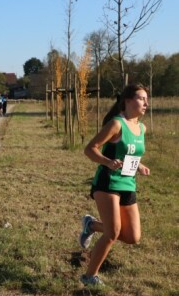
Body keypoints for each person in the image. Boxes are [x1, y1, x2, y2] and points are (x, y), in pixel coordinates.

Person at [78, 84, 150, 286]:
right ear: (127, 101)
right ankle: (89, 276)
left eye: (147, 99)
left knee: (132, 236)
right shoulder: (117, 124)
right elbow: (90, 149)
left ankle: (91, 225)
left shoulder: (141, 127)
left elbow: (130, 154)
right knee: (112, 233)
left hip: (128, 183)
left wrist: (140, 166)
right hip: (108, 182)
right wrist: (107, 162)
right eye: (141, 98)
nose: (146, 103)